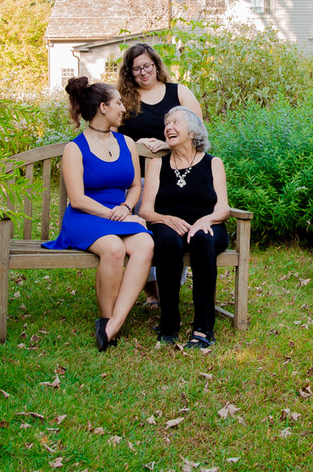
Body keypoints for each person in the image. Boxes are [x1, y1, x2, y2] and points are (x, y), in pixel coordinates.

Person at [42, 77, 154, 352]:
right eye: (117, 102)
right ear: (103, 107)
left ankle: (113, 323)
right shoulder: (74, 148)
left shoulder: (126, 142)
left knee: (145, 244)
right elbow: (78, 199)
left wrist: (127, 208)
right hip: (86, 217)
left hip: (119, 213)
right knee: (114, 249)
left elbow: (134, 186)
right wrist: (118, 216)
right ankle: (107, 318)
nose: (122, 107)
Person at [117, 42, 202, 308]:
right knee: (141, 234)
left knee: (173, 231)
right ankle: (151, 291)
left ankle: (169, 289)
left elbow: (198, 134)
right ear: (129, 73)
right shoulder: (124, 99)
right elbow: (110, 137)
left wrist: (169, 145)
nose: (143, 73)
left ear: (156, 64)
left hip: (176, 179)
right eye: (136, 69)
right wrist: (136, 145)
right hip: (136, 182)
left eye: (147, 66)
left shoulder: (179, 93)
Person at [139, 107, 230, 349]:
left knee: (202, 240)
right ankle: (169, 324)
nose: (168, 127)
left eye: (175, 122)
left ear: (193, 130)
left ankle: (203, 327)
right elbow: (145, 211)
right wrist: (166, 218)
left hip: (207, 227)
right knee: (168, 242)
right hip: (168, 228)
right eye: (166, 124)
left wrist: (207, 220)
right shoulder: (158, 165)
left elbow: (224, 209)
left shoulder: (213, 163)